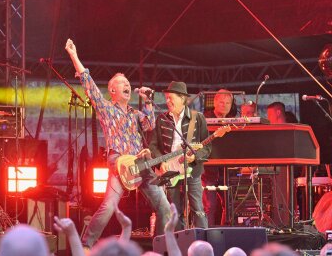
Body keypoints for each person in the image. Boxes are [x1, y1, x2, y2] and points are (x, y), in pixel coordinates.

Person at [64, 39, 170, 248]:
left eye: (127, 83)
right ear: (112, 91)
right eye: (122, 83)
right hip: (119, 161)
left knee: (164, 206)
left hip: (141, 162)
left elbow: (150, 125)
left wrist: (148, 100)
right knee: (109, 206)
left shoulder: (135, 113)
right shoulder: (106, 109)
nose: (127, 85)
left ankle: (160, 247)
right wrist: (74, 56)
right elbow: (89, 85)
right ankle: (85, 245)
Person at [149, 81, 211, 230]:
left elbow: (207, 147)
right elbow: (153, 146)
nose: (167, 101)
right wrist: (160, 163)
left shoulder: (197, 118)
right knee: (174, 212)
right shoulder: (162, 119)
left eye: (171, 98)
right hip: (170, 171)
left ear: (182, 98)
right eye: (166, 97)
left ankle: (202, 246)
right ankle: (179, 246)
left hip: (192, 170)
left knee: (198, 210)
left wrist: (195, 157)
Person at [202, 89, 236, 226]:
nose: (224, 105)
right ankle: (206, 235)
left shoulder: (234, 121)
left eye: (228, 103)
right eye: (221, 102)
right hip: (208, 170)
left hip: (227, 170)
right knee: (209, 207)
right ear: (214, 102)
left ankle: (226, 234)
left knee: (230, 206)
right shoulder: (204, 119)